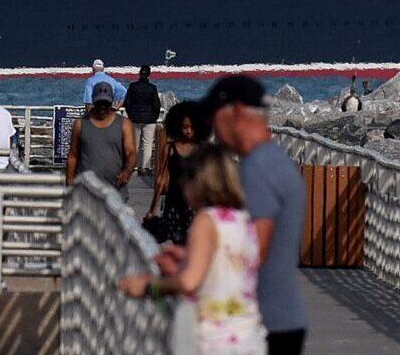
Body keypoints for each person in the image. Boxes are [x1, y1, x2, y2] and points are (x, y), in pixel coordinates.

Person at [193, 75, 306, 355]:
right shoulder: (277, 160)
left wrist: (188, 271)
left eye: (213, 117)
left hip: (262, 324)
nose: (212, 128)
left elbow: (252, 250)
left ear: (236, 111)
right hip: (284, 316)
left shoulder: (257, 169)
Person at [121, 146, 266, 355]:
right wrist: (187, 256)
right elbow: (226, 263)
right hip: (248, 338)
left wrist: (149, 287)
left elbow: (189, 282)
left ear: (199, 182)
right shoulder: (243, 220)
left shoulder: (205, 220)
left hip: (213, 341)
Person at [144, 102, 204, 245]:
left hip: (195, 204)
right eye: (185, 127)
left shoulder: (201, 149)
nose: (188, 131)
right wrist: (153, 208)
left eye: (191, 127)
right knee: (178, 244)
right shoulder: (170, 148)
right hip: (174, 203)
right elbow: (161, 180)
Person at [68, 90, 137, 190]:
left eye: (106, 104)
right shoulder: (81, 124)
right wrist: (69, 183)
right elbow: (73, 155)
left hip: (115, 187)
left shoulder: (124, 124)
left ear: (111, 103)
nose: (102, 107)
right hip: (86, 189)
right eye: (99, 104)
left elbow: (131, 152)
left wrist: (127, 171)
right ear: (93, 102)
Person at [124, 64, 163, 175]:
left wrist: (131, 115)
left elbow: (127, 103)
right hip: (149, 119)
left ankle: (133, 166)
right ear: (149, 74)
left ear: (139, 73)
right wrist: (154, 117)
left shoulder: (133, 87)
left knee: (135, 144)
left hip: (135, 118)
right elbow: (157, 105)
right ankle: (145, 167)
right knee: (147, 144)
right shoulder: (152, 88)